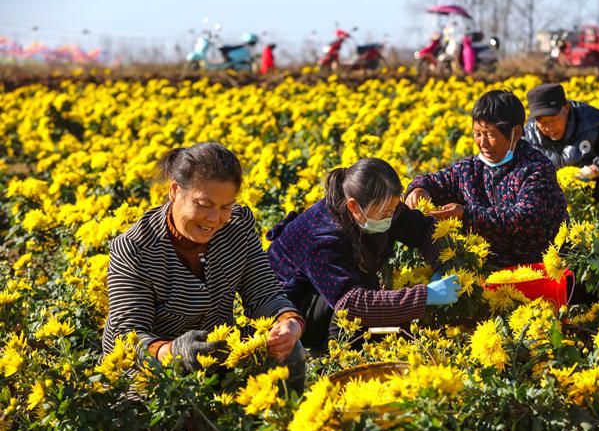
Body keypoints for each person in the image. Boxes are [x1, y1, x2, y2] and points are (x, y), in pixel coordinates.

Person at [102, 142, 305, 380]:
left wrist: (290, 323)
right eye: (203, 204)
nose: (214, 218)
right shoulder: (135, 249)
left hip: (219, 355)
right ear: (175, 190)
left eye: (225, 206)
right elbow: (129, 338)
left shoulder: (236, 227)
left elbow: (264, 293)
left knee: (289, 350)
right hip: (156, 376)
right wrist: (174, 352)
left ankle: (283, 416)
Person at [266, 157, 460, 354]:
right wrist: (424, 296)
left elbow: (425, 229)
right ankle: (334, 357)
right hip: (291, 312)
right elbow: (351, 304)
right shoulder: (321, 238)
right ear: (353, 206)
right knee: (361, 290)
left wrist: (442, 265)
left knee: (370, 287)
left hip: (332, 293)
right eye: (385, 212)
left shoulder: (380, 203)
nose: (391, 218)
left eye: (393, 210)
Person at [405, 89, 567, 269]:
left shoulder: (536, 168)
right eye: (477, 134)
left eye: (491, 135)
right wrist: (418, 189)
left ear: (516, 132)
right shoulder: (470, 169)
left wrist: (467, 215)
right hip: (488, 267)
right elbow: (433, 181)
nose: (483, 143)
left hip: (541, 268)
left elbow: (525, 218)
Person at [523, 83, 599, 185]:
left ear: (566, 108)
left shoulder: (593, 120)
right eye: (541, 122)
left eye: (553, 120)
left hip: (597, 200)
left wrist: (597, 168)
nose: (548, 127)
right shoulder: (527, 137)